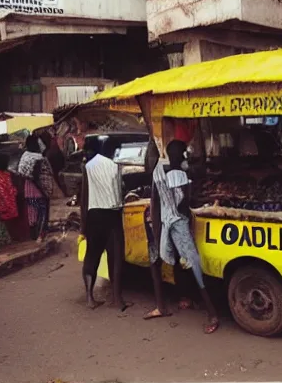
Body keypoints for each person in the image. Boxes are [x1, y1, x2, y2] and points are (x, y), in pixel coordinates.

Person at [144, 139, 219, 334]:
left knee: (162, 261)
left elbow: (155, 202)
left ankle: (166, 304)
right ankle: (212, 313)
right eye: (184, 153)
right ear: (180, 156)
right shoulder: (181, 176)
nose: (186, 157)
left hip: (162, 224)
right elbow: (186, 204)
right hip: (178, 226)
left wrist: (158, 231)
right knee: (194, 265)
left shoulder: (159, 173)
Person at [80, 140, 131, 312]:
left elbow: (84, 197)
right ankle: (118, 299)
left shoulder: (88, 166)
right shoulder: (115, 166)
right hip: (113, 214)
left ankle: (89, 297)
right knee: (115, 256)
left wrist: (83, 225)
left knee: (92, 256)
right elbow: (120, 192)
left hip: (94, 215)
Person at [17, 135, 54, 243]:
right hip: (39, 189)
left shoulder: (24, 156)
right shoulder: (40, 158)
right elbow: (44, 175)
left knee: (31, 212)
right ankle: (40, 236)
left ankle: (33, 235)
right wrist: (45, 190)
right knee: (42, 212)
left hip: (28, 189)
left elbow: (21, 172)